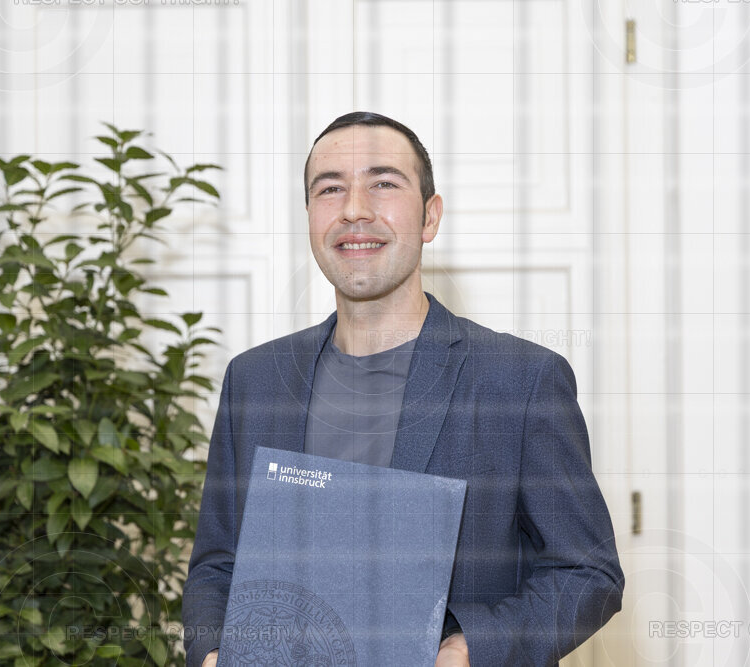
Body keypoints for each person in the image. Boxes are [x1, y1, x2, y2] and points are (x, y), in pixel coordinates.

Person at [182, 112, 624, 667]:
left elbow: (589, 573)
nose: (354, 209)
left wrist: (470, 649)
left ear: (429, 217)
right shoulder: (255, 380)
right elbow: (217, 565)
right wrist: (212, 651)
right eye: (330, 189)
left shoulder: (520, 380)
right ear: (310, 216)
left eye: (383, 184)